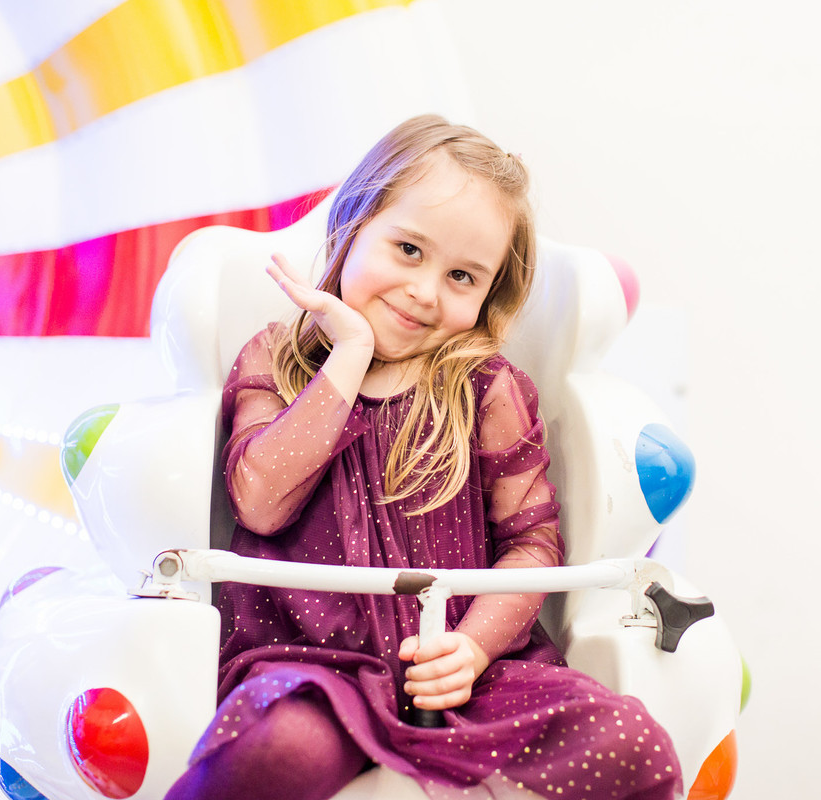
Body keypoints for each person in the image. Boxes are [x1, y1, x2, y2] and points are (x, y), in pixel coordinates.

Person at [164, 115, 681, 800]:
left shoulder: (487, 390)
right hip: (311, 670)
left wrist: (472, 647)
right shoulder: (276, 360)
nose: (425, 291)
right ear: (353, 225)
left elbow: (532, 545)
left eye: (462, 275)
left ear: (486, 295)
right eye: (409, 250)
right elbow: (260, 501)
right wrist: (346, 357)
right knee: (275, 753)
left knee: (634, 746)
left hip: (473, 675)